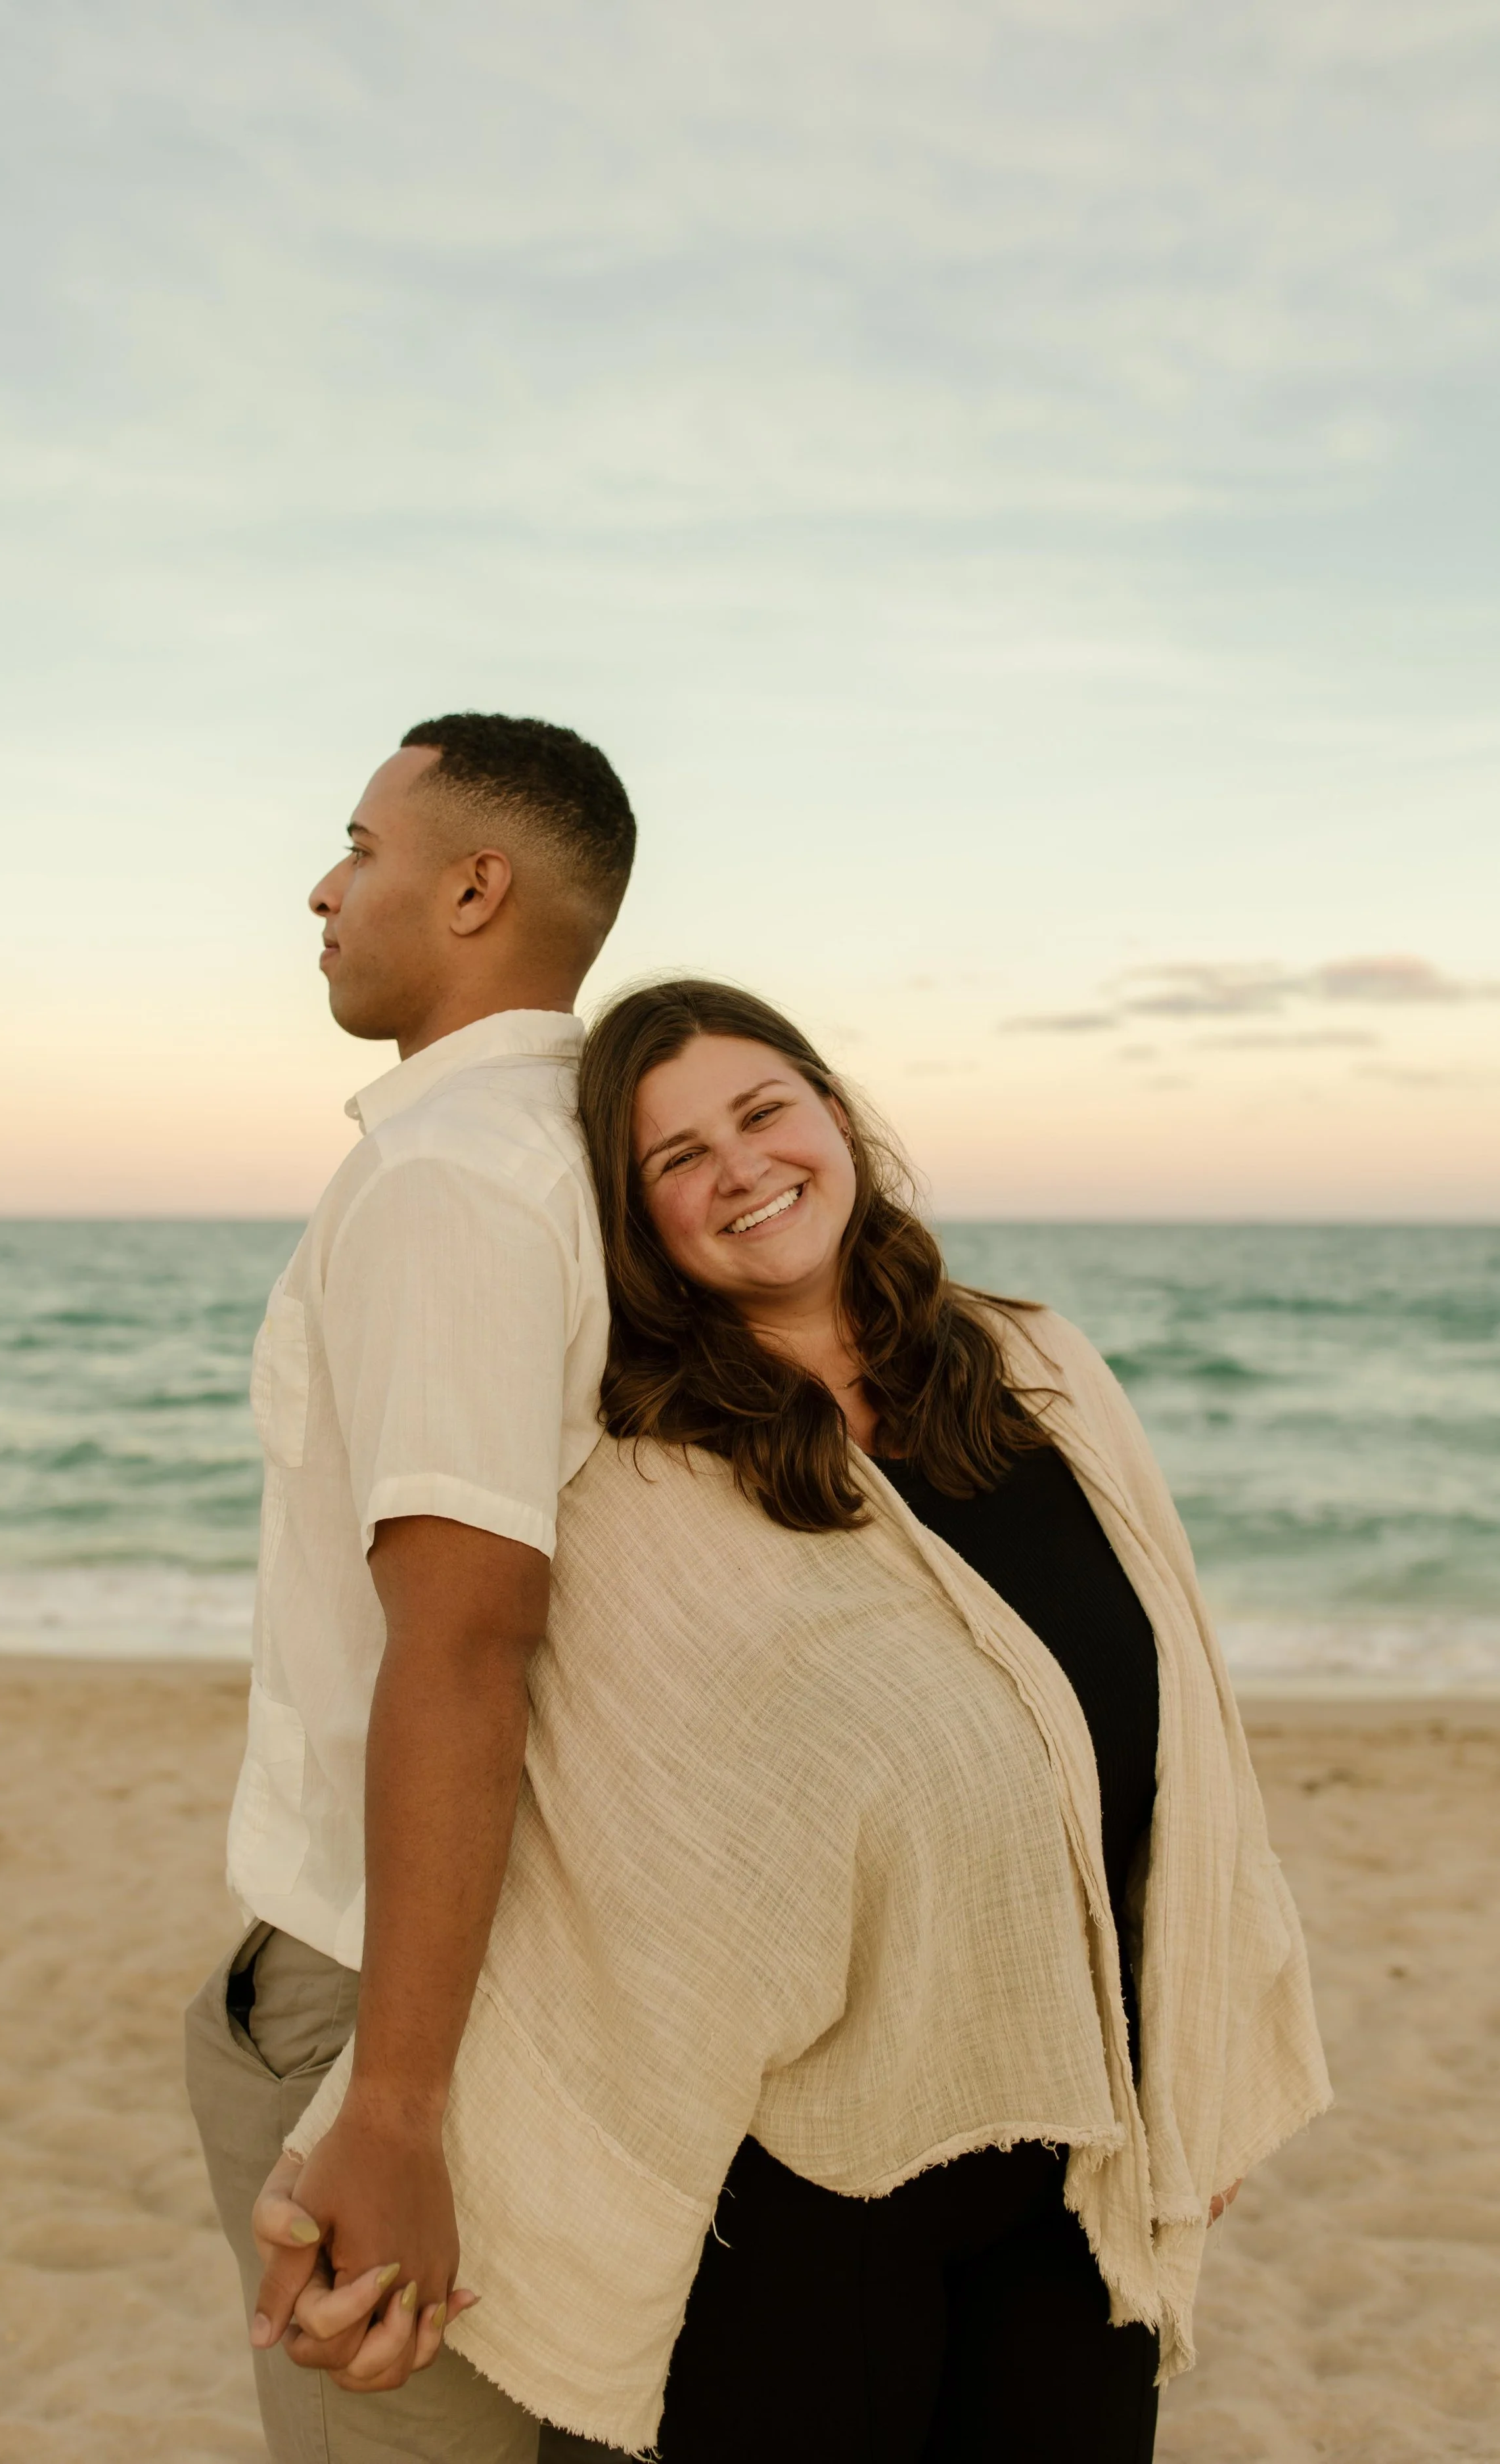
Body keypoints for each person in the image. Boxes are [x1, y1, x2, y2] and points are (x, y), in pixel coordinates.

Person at [260, 980, 1329, 2461]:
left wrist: (1194, 2071)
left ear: (836, 1117)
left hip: (1080, 2156)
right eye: (676, 1159)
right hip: (808, 2199)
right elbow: (589, 1868)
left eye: (762, 1113)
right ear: (640, 1226)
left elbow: (1187, 1736)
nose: (740, 1168)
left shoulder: (1040, 1369)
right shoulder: (636, 1482)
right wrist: (376, 2129)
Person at [183, 712, 637, 2464]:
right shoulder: (584, 1152)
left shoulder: (452, 1179)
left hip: (386, 1981)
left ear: (472, 885)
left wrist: (385, 2094)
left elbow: (465, 1633)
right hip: (516, 1962)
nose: (323, 883)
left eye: (360, 845)